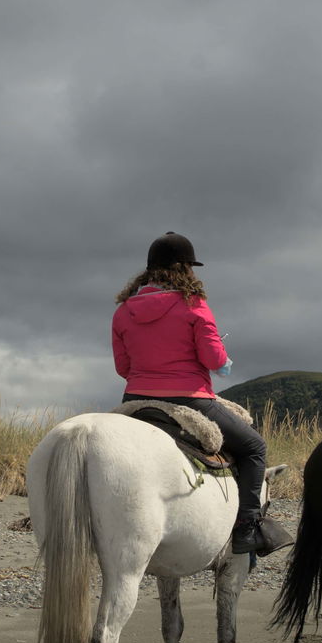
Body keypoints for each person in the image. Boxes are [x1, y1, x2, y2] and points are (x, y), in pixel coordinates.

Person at [112, 232, 290, 555]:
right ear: (184, 269)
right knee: (254, 447)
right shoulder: (194, 304)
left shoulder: (124, 311)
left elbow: (122, 367)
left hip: (135, 399)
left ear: (150, 270)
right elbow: (213, 359)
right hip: (189, 398)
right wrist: (224, 359)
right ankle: (247, 529)